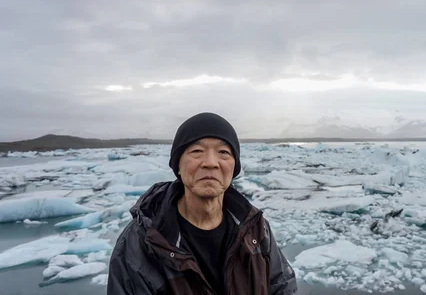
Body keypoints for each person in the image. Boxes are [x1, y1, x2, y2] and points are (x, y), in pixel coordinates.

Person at [107, 112, 297, 294]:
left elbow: (282, 286)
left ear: (234, 167)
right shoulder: (141, 241)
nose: (211, 162)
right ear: (178, 166)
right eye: (197, 151)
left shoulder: (255, 229)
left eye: (223, 152)